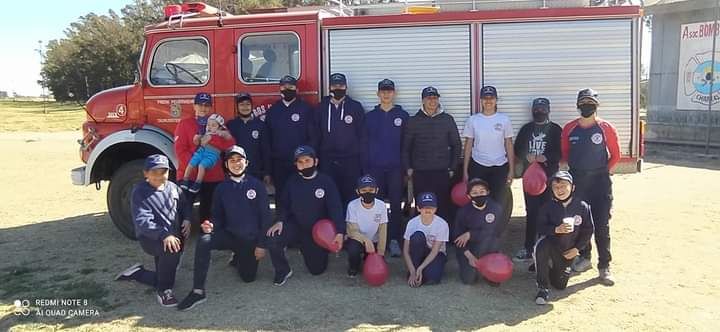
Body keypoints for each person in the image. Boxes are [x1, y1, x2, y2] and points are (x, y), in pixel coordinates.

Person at [177, 146, 275, 311]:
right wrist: (211, 225)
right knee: (204, 240)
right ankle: (198, 291)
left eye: (239, 160)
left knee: (248, 278)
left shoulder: (257, 186)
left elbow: (266, 217)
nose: (236, 164)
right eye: (232, 160)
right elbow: (217, 216)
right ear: (226, 165)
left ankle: (239, 258)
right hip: (229, 236)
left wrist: (261, 245)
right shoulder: (221, 188)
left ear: (246, 162)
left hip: (249, 240)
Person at [115, 154, 191, 308]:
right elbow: (143, 221)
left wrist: (187, 218)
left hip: (172, 235)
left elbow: (184, 205)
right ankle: (164, 291)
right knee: (171, 254)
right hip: (151, 238)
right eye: (154, 172)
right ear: (145, 173)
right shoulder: (139, 192)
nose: (159, 176)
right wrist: (164, 235)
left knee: (165, 273)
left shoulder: (173, 187)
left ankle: (137, 273)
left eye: (163, 172)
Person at [561, 88, 620, 286]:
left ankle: (604, 266)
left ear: (597, 105)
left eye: (591, 103)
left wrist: (602, 172)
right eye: (583, 102)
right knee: (580, 222)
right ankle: (584, 258)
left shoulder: (606, 128)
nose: (587, 106)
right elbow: (566, 154)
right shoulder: (569, 128)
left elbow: (616, 155)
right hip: (578, 181)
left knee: (601, 225)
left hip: (600, 183)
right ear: (578, 105)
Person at [266, 145, 345, 284]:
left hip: (317, 231)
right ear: (296, 164)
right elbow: (284, 204)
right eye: (300, 162)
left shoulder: (326, 181)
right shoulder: (292, 181)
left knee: (317, 270)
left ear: (315, 161)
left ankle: (313, 249)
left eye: (307, 161)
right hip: (296, 226)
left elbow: (336, 208)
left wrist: (339, 231)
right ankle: (283, 270)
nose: (304, 165)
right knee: (273, 238)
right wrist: (280, 221)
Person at [512, 97, 562, 261]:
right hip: (530, 179)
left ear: (548, 110)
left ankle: (547, 246)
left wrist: (544, 157)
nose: (539, 111)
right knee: (531, 212)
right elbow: (517, 149)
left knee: (549, 212)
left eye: (542, 108)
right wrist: (526, 156)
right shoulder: (526, 129)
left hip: (549, 177)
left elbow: (561, 152)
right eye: (537, 109)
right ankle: (528, 247)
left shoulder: (555, 129)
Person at [402, 87, 462, 222]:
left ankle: (443, 240)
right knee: (422, 206)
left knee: (443, 207)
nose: (432, 101)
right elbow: (406, 148)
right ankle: (422, 236)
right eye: (429, 98)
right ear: (423, 100)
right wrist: (408, 168)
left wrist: (452, 168)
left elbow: (456, 145)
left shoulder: (447, 119)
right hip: (420, 172)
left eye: (435, 98)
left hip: (441, 171)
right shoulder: (413, 121)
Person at [534, 171, 594, 305]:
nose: (559, 190)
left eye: (563, 186)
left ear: (572, 187)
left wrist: (577, 249)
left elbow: (588, 230)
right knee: (542, 246)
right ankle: (542, 288)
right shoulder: (547, 207)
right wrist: (555, 229)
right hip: (552, 246)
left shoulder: (582, 206)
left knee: (560, 285)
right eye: (555, 187)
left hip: (568, 252)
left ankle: (547, 268)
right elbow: (539, 227)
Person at [462, 86, 514, 235]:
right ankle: (478, 231)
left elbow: (509, 144)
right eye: (486, 98)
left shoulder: (504, 120)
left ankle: (497, 233)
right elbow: (468, 145)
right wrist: (465, 171)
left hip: (499, 166)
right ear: (481, 100)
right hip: (478, 165)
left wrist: (511, 170)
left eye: (491, 98)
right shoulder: (474, 120)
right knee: (478, 200)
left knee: (499, 201)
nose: (488, 101)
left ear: (496, 100)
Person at [364, 79, 408, 257]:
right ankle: (377, 239)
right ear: (378, 94)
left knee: (396, 205)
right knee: (377, 206)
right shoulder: (370, 117)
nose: (386, 94)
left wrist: (407, 168)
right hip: (375, 170)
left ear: (394, 93)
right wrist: (365, 168)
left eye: (389, 91)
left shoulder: (403, 116)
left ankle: (394, 239)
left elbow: (407, 144)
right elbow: (363, 144)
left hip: (396, 169)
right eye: (383, 91)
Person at [174, 93, 233, 220]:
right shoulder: (184, 124)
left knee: (209, 216)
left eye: (207, 105)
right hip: (190, 175)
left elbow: (230, 145)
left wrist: (221, 134)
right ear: (194, 106)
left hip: (213, 176)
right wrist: (198, 166)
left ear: (210, 108)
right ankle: (179, 238)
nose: (203, 108)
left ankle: (206, 237)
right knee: (183, 213)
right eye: (200, 105)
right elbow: (180, 151)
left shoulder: (216, 123)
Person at [313, 73, 366, 206]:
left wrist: (361, 159)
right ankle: (332, 225)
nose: (338, 88)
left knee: (351, 197)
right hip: (327, 160)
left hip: (351, 161)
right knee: (330, 196)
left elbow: (362, 135)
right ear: (329, 87)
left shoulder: (355, 107)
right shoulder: (320, 108)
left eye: (341, 85)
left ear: (346, 87)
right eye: (334, 85)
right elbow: (315, 135)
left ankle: (349, 225)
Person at [264, 75, 314, 202]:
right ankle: (281, 220)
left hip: (301, 163)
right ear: (280, 89)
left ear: (296, 89)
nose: (287, 89)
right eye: (284, 87)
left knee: (302, 195)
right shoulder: (273, 111)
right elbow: (267, 142)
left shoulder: (306, 109)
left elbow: (313, 137)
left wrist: (309, 161)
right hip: (279, 163)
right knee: (281, 196)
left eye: (291, 87)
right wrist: (268, 170)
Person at [453, 179, 503, 285]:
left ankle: (489, 269)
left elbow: (494, 232)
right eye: (474, 193)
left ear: (488, 192)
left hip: (488, 247)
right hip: (468, 249)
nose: (479, 194)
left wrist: (470, 234)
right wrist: (469, 256)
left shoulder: (496, 208)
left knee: (492, 241)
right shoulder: (463, 212)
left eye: (482, 191)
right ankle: (471, 267)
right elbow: (457, 237)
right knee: (469, 280)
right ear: (468, 196)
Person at [403, 192, 450, 287]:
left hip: (436, 253)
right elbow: (405, 250)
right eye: (424, 207)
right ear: (418, 208)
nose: (428, 210)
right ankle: (415, 268)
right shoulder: (412, 223)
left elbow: (435, 251)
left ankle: (422, 269)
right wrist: (412, 270)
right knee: (417, 236)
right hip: (419, 251)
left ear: (436, 209)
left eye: (431, 207)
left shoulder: (442, 224)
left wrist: (420, 269)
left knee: (432, 278)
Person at [345, 175, 389, 277]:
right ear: (358, 191)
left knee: (376, 263)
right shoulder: (352, 205)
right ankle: (353, 266)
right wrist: (365, 240)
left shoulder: (381, 205)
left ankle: (368, 258)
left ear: (376, 190)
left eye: (371, 189)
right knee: (353, 250)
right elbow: (351, 231)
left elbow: (383, 230)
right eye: (363, 190)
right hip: (358, 240)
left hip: (374, 241)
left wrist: (380, 253)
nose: (367, 192)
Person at [181, 114, 235, 193]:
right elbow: (197, 143)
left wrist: (219, 135)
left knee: (201, 165)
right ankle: (185, 180)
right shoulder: (204, 133)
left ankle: (197, 183)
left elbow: (230, 143)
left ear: (219, 127)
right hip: (201, 151)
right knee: (191, 163)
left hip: (212, 154)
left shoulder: (221, 135)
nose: (209, 127)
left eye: (213, 125)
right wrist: (196, 139)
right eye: (208, 124)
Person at [226, 93, 271, 183]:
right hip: (235, 170)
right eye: (242, 105)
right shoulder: (231, 125)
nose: (245, 107)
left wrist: (267, 172)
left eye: (247, 104)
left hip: (256, 171)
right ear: (237, 107)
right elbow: (225, 150)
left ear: (252, 106)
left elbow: (266, 150)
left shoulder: (261, 125)